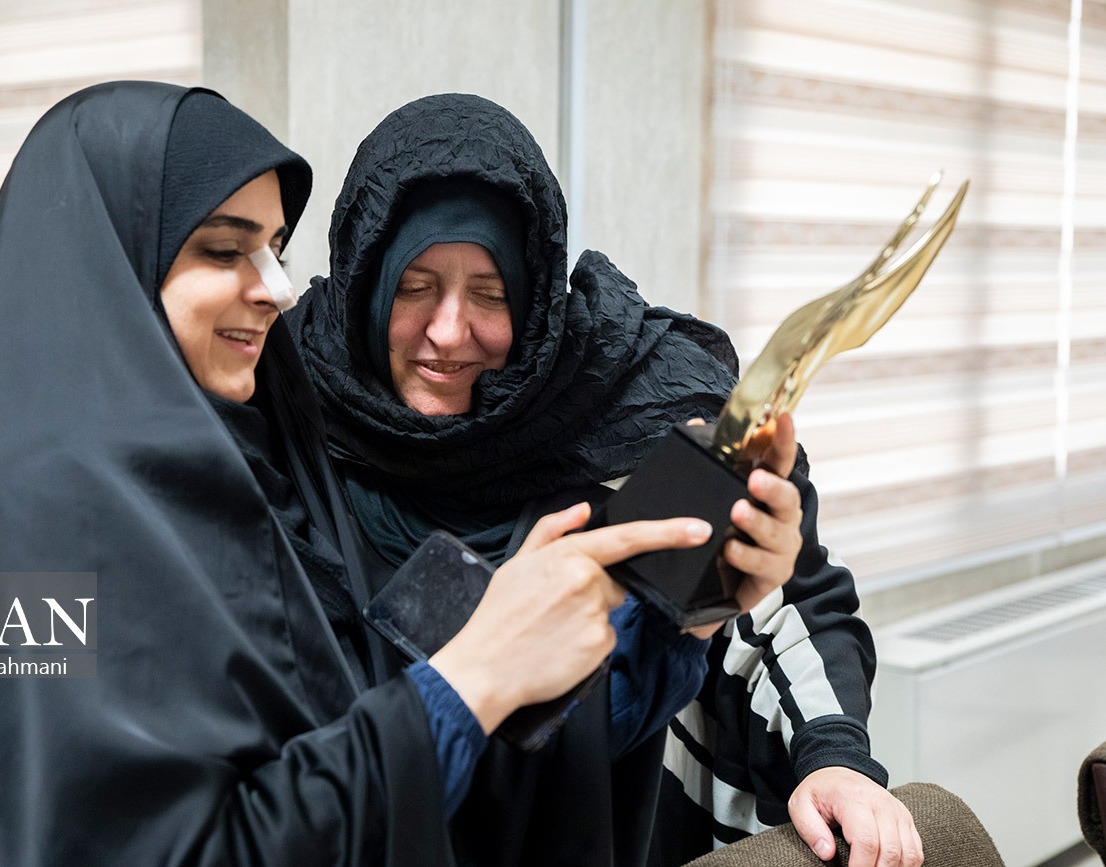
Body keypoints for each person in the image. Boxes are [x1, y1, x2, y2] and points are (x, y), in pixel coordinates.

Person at [0, 81, 728, 866]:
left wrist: (683, 612)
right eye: (223, 249)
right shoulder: (28, 520)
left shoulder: (226, 467)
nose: (278, 288)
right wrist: (470, 677)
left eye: (275, 247)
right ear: (100, 259)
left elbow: (378, 736)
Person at [290, 92, 923, 866]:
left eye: (490, 294)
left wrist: (832, 756)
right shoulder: (283, 410)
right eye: (415, 287)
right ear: (364, 282)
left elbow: (782, 600)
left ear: (534, 296)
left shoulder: (625, 408)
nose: (449, 332)